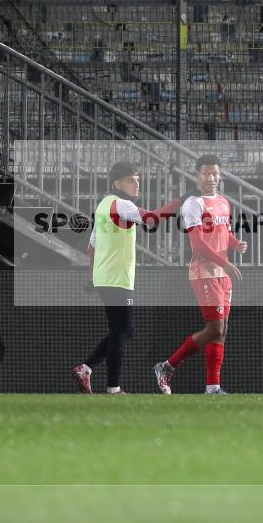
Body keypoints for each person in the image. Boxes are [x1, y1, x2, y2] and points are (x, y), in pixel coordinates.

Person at [72, 162, 180, 394]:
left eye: (138, 178)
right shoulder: (122, 204)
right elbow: (152, 219)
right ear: (117, 183)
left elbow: (91, 245)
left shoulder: (104, 205)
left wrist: (92, 275)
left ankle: (87, 369)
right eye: (131, 179)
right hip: (117, 278)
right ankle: (112, 387)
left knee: (122, 330)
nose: (136, 183)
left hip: (107, 278)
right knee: (122, 330)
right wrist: (179, 202)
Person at [154, 154, 247, 395]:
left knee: (222, 330)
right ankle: (167, 366)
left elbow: (224, 233)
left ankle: (213, 387)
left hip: (222, 274)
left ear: (220, 175)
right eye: (206, 173)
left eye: (215, 173)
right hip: (204, 272)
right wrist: (225, 263)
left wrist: (236, 243)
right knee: (215, 329)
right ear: (197, 176)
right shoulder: (193, 203)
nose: (211, 178)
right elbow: (198, 245)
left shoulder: (224, 202)